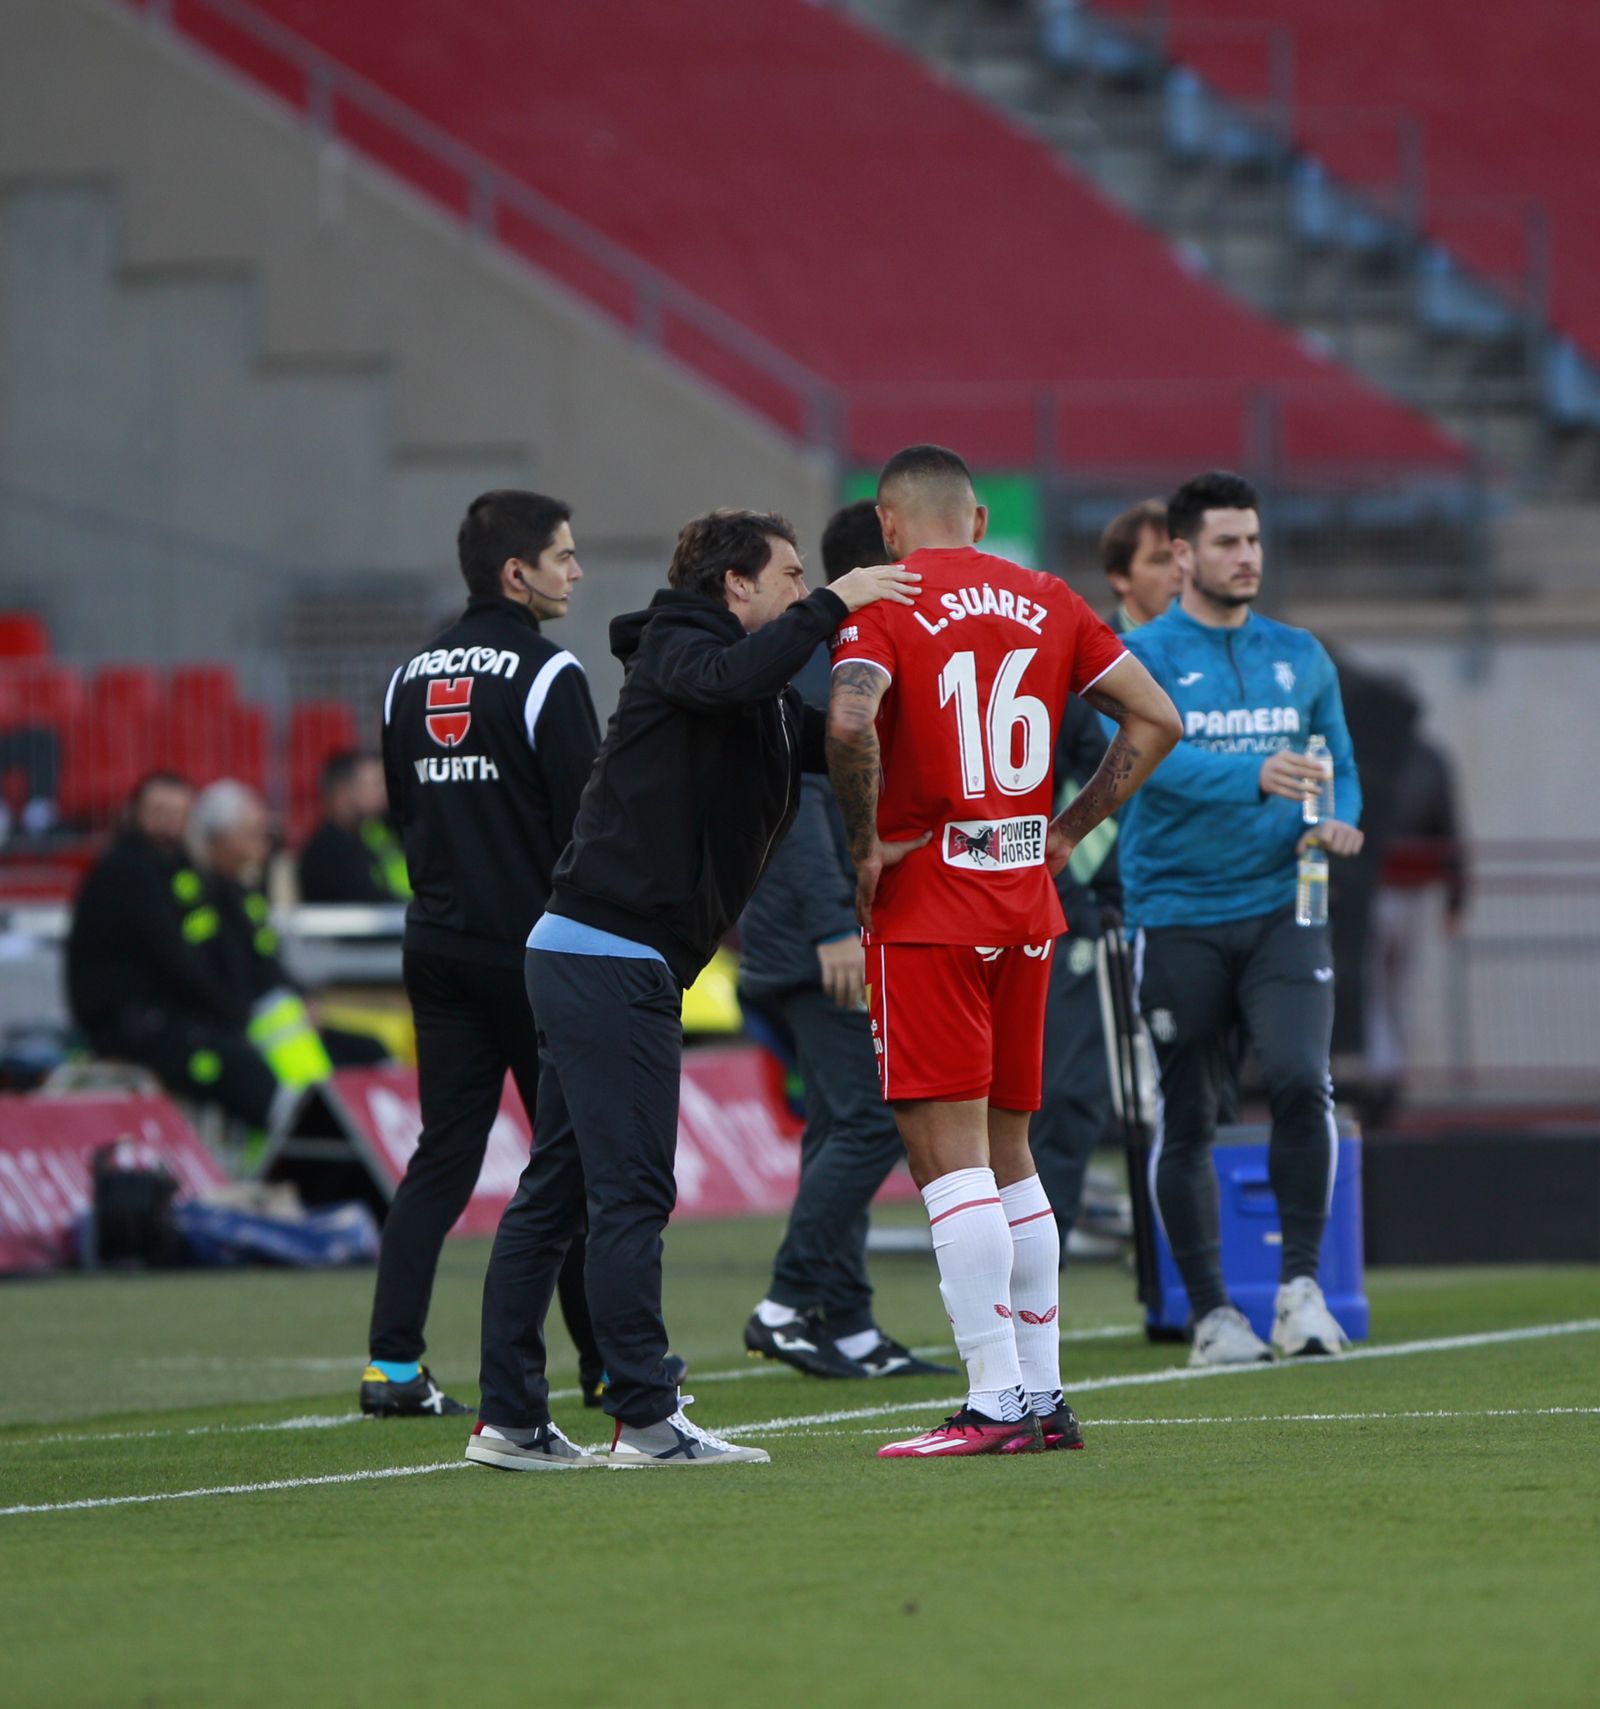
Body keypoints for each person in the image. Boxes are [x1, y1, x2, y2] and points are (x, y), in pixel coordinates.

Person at [470, 509, 918, 1471]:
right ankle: (646, 1415)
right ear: (735, 587)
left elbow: (828, 740)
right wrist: (841, 604)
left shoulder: (744, 687)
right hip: (608, 957)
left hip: (594, 953)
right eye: (792, 576)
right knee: (629, 1191)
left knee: (558, 1192)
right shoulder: (684, 648)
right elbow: (734, 679)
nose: (806, 590)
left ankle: (509, 1420)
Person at [827, 445, 1181, 1459]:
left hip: (929, 903)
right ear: (977, 519)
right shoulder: (1047, 596)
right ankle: (1041, 1394)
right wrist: (1068, 828)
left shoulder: (882, 603)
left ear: (889, 527)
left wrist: (860, 844)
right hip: (1025, 902)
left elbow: (850, 716)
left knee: (947, 1159)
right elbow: (1157, 719)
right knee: (1013, 1154)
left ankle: (989, 1400)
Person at [360, 489, 607, 1421]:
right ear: (518, 573)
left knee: (444, 1153)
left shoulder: (407, 676)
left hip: (436, 941)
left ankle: (391, 1365)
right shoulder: (547, 674)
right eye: (563, 555)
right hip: (533, 950)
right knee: (573, 1157)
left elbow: (401, 811)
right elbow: (588, 829)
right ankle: (603, 1367)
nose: (575, 569)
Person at [1110, 470, 1364, 1366]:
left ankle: (1302, 1292)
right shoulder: (1138, 654)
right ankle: (1214, 1314)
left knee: (1301, 1079)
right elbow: (1142, 762)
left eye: (1253, 540)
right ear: (1181, 554)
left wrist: (1341, 815)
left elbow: (1336, 757)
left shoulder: (1302, 655)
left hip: (1284, 907)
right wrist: (1249, 773)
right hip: (1175, 912)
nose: (1246, 556)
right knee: (1190, 1114)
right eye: (1227, 542)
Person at [738, 500, 954, 1380]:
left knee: (839, 1124)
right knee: (870, 1120)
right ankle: (787, 1302)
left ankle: (849, 1321)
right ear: (891, 557)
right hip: (814, 939)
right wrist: (834, 925)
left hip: (815, 932)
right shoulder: (833, 665)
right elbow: (796, 812)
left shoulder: (853, 657)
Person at [298, 750, 410, 904]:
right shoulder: (323, 852)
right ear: (343, 790)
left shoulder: (376, 834)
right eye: (375, 784)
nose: (384, 791)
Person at [1102, 497, 1180, 633]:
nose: (1179, 573)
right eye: (1160, 560)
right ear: (1121, 578)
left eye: (1184, 557)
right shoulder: (1095, 652)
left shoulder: (1220, 642)